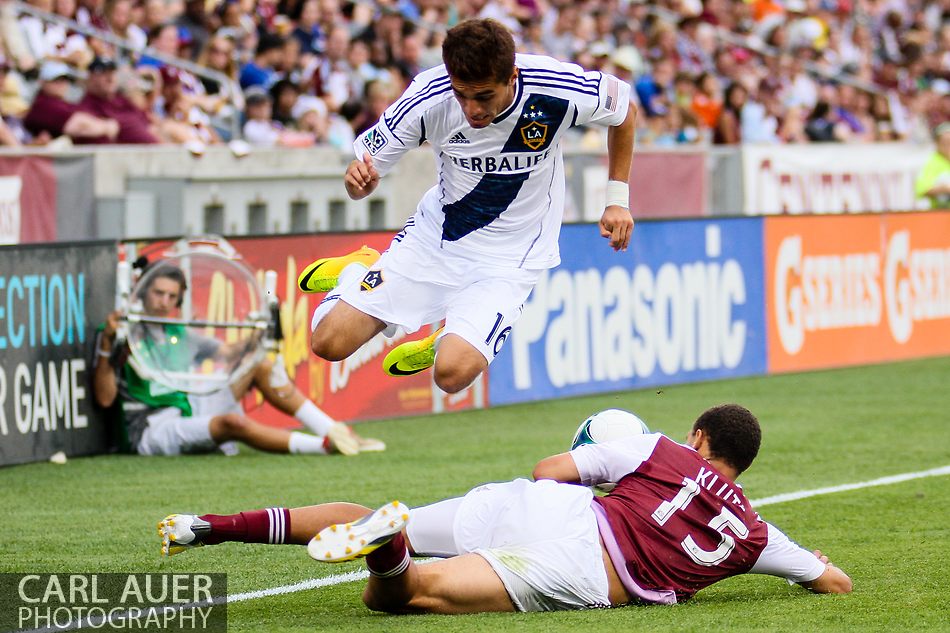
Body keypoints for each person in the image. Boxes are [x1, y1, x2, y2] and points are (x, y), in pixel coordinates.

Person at [158, 404, 852, 614]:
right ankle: (389, 552)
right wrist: (812, 566)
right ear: (742, 464)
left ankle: (210, 525)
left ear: (699, 437)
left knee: (375, 510)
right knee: (406, 597)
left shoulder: (658, 445)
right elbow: (833, 583)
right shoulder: (755, 533)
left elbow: (550, 468)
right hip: (581, 565)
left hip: (555, 510)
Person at [297, 18, 636, 395]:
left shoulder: (555, 87)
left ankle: (447, 337)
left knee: (452, 375)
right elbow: (362, 174)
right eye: (462, 94)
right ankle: (359, 268)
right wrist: (358, 182)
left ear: (512, 77)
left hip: (512, 259)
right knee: (328, 344)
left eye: (484, 96)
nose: (472, 109)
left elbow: (624, 111)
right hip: (434, 241)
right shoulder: (430, 96)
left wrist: (617, 199)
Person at [93, 261, 384, 458]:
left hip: (189, 405)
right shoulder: (122, 332)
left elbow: (229, 354)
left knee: (259, 365)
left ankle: (336, 431)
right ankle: (325, 447)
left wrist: (260, 327)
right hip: (151, 427)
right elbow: (105, 399)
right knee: (233, 422)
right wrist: (107, 345)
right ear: (143, 292)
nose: (164, 302)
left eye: (172, 296)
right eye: (158, 293)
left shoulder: (180, 332)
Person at [23, 60, 120, 143]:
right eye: (56, 80)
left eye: (65, 80)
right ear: (42, 82)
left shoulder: (61, 102)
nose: (62, 84)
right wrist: (106, 126)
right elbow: (79, 126)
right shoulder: (43, 105)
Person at [915, 122, 950, 209]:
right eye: (944, 142)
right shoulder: (930, 163)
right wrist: (943, 189)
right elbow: (922, 189)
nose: (948, 146)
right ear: (937, 144)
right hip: (941, 213)